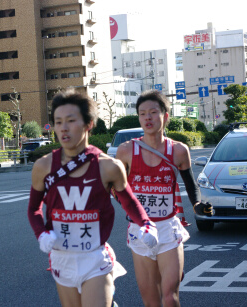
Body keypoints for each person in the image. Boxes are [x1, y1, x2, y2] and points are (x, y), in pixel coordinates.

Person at [28, 89, 158, 307]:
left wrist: (145, 224)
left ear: (88, 124)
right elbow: (33, 208)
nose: (63, 128)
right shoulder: (43, 166)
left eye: (71, 120)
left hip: (94, 257)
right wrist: (41, 233)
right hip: (62, 258)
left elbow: (128, 200)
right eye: (58, 122)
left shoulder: (108, 166)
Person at [116, 90, 213, 307]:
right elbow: (117, 190)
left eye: (153, 112)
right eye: (142, 114)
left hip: (169, 228)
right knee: (151, 301)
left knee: (170, 297)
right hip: (140, 230)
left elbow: (190, 184)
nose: (147, 118)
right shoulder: (125, 151)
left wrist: (197, 204)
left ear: (166, 116)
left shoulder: (179, 150)